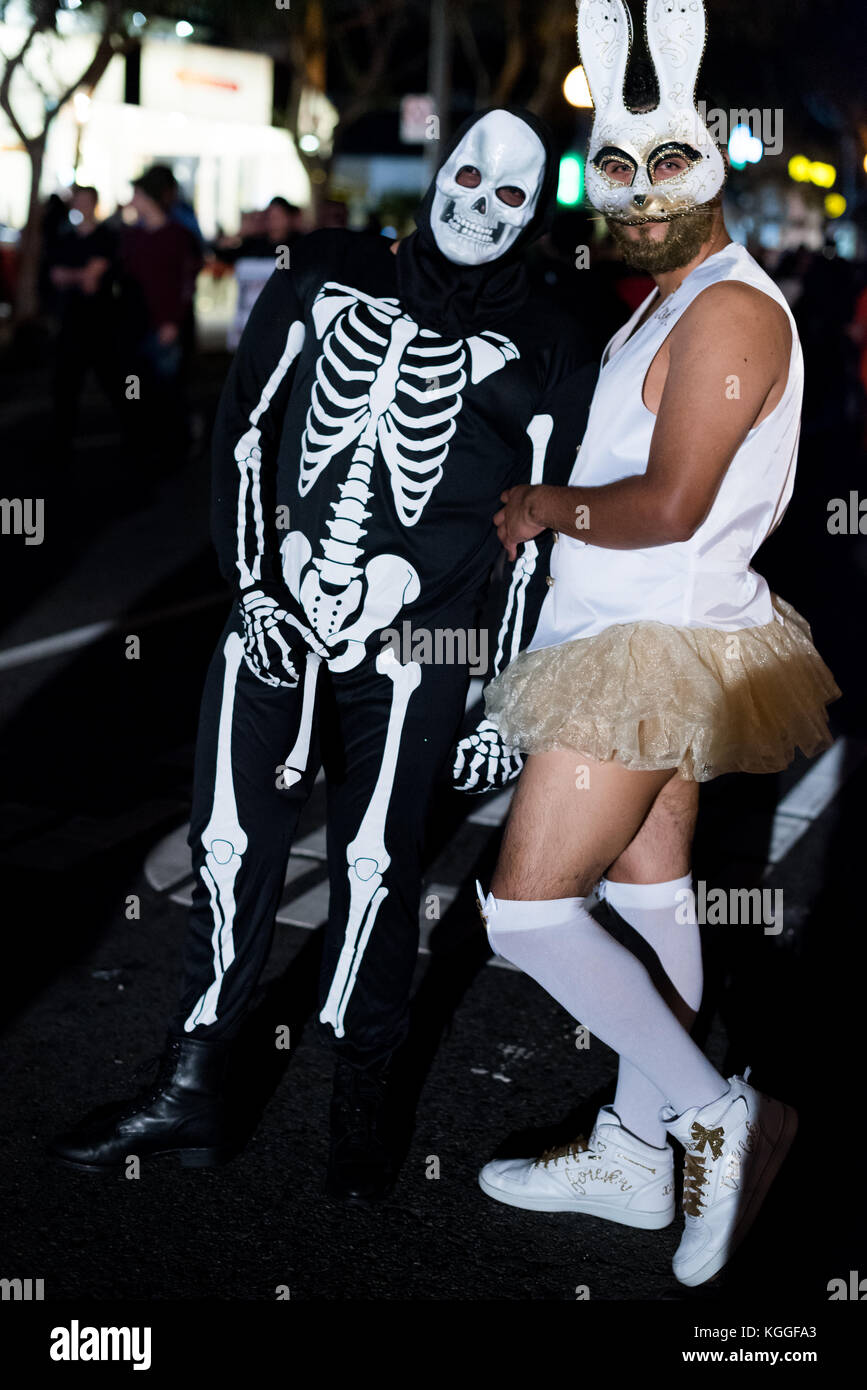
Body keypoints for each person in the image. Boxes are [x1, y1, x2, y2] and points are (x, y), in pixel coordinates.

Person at [49, 108, 596, 1203]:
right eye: (468, 176)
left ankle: (363, 1096)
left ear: (535, 215)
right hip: (278, 609)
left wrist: (503, 697)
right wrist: (255, 582)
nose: (478, 207)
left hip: (419, 638)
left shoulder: (545, 337)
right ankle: (195, 1085)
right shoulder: (330, 274)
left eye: (509, 197)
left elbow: (541, 532)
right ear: (439, 173)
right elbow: (247, 424)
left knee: (381, 867)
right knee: (228, 842)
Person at [473, 0, 840, 1289]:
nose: (635, 195)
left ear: (718, 166)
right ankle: (638, 1151)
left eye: (665, 165)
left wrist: (544, 507)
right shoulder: (666, 301)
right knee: (648, 888)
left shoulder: (733, 311)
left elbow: (674, 502)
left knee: (524, 912)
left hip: (649, 634)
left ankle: (719, 1115)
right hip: (628, 629)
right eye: (614, 170)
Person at [116, 166, 203, 464]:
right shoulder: (132, 236)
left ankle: (175, 446)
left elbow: (186, 282)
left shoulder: (178, 236)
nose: (133, 200)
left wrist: (174, 321)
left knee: (168, 390)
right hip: (136, 325)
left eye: (138, 194)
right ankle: (143, 444)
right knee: (136, 389)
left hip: (166, 326)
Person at [45, 185, 119, 444]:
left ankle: (134, 427)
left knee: (120, 381)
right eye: (78, 201)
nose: (82, 206)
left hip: (101, 324)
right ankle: (61, 439)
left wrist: (74, 275)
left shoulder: (107, 237)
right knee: (65, 385)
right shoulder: (64, 239)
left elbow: (94, 276)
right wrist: (82, 275)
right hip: (70, 324)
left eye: (87, 201)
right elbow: (58, 276)